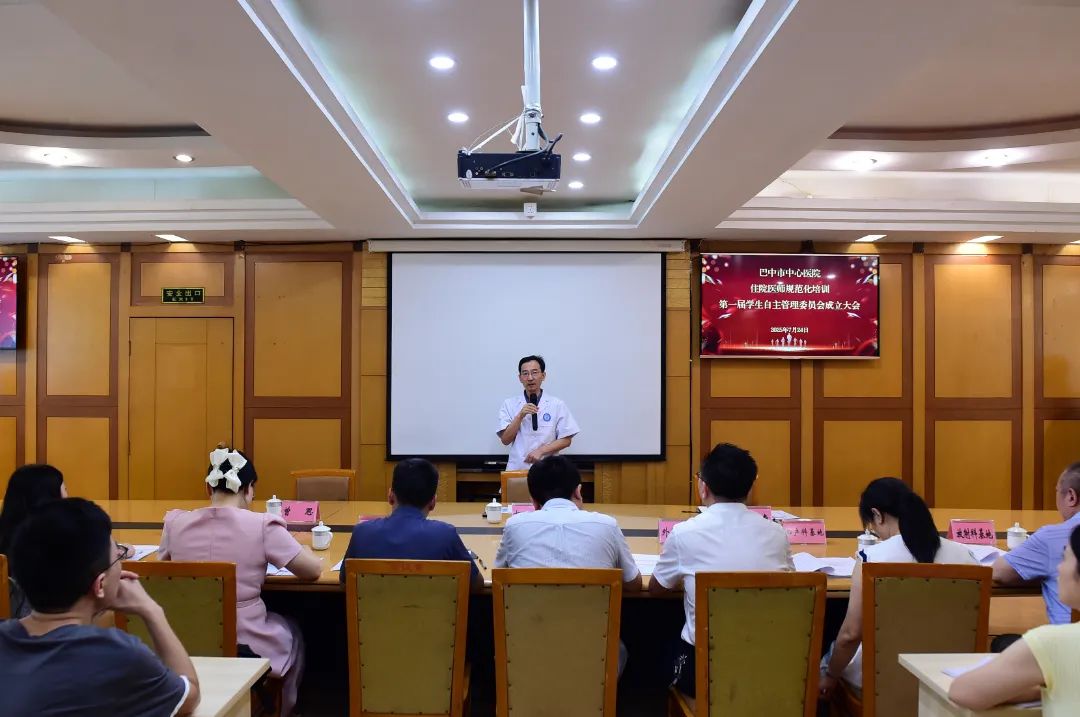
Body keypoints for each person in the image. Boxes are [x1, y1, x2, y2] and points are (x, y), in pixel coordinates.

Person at [159, 445, 322, 717]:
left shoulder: (175, 523)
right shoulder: (262, 525)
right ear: (249, 489)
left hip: (185, 639)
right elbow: (312, 571)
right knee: (293, 630)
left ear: (208, 488)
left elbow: (161, 568)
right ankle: (282, 710)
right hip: (246, 642)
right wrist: (303, 548)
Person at [0, 498, 200, 716]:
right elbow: (188, 696)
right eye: (117, 558)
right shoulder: (117, 655)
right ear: (100, 584)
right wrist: (152, 611)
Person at [649, 442, 793, 700]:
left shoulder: (684, 533)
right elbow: (791, 587)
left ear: (703, 487)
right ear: (751, 488)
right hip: (767, 668)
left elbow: (656, 589)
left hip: (704, 672)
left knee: (655, 641)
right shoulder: (777, 534)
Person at [819, 477, 976, 699]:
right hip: (949, 678)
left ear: (878, 515)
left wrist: (830, 675)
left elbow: (851, 635)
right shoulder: (965, 555)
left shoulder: (871, 558)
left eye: (872, 526)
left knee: (828, 655)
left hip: (880, 680)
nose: (875, 532)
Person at [495, 454, 641, 675]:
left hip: (525, 653)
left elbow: (499, 577)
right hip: (596, 657)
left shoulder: (514, 526)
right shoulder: (607, 526)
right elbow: (634, 584)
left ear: (533, 501)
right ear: (578, 492)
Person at [949, 524, 1080, 715]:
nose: (1059, 568)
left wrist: (1039, 689)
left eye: (1065, 558)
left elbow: (962, 692)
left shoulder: (1052, 642)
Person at [339, 457, 481, 589]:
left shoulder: (362, 533)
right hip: (428, 609)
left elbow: (345, 583)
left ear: (390, 496)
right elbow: (477, 584)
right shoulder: (445, 535)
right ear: (433, 502)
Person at [992, 461, 1080, 624]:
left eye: (1057, 491)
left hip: (1068, 638)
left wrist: (1040, 571)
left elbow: (999, 573)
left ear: (1071, 497)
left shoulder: (1051, 537)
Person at [0, 464, 68, 618]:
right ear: (52, 497)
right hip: (41, 624)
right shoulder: (54, 542)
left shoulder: (6, 533)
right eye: (65, 490)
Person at [497, 355, 579, 471]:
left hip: (548, 468)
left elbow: (566, 440)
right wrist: (520, 416)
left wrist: (541, 451)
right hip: (518, 468)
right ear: (520, 378)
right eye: (525, 373)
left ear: (543, 375)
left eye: (534, 372)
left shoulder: (557, 404)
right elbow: (505, 440)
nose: (530, 378)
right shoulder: (509, 404)